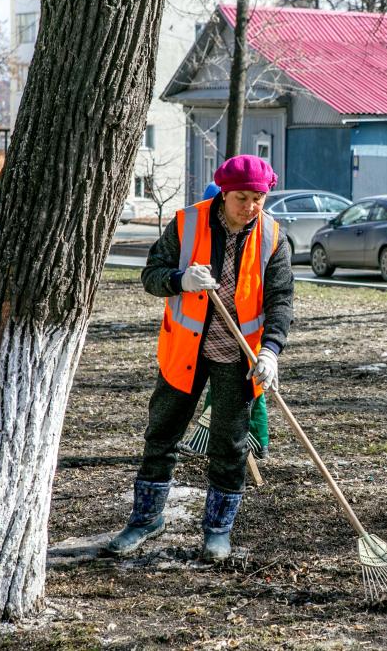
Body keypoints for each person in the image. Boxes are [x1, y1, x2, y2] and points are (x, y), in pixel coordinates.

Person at [107, 155, 293, 562]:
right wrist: (180, 280)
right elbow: (151, 276)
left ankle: (218, 530)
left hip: (239, 359)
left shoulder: (273, 237)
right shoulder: (186, 223)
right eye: (242, 198)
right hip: (185, 352)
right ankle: (146, 519)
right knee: (162, 435)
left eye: (258, 198)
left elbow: (281, 300)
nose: (250, 207)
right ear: (224, 193)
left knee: (230, 446)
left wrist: (271, 350)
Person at [178, 182, 272, 460]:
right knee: (225, 395)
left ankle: (259, 441)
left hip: (247, 343)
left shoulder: (262, 234)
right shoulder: (201, 229)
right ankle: (216, 439)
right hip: (210, 340)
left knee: (255, 394)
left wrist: (269, 351)